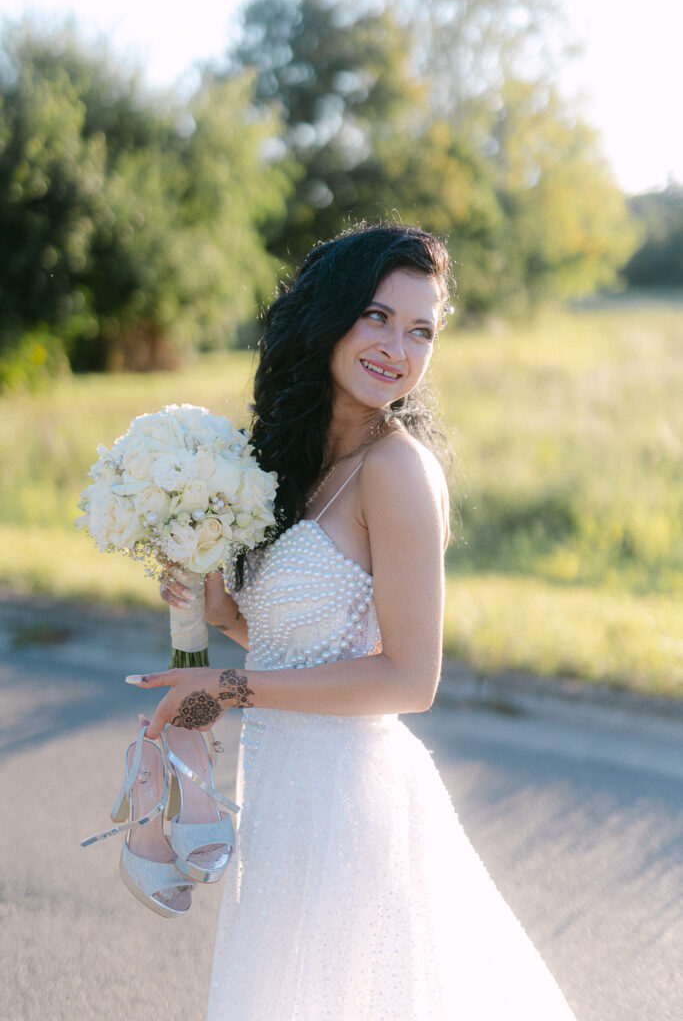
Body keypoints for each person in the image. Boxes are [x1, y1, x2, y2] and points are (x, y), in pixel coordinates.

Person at [128, 224, 577, 1019]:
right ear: (329, 315)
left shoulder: (397, 471)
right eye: (376, 316)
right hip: (280, 791)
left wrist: (226, 688)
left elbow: (409, 678)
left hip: (351, 808)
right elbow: (290, 639)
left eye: (420, 330)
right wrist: (203, 594)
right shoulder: (297, 462)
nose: (396, 347)